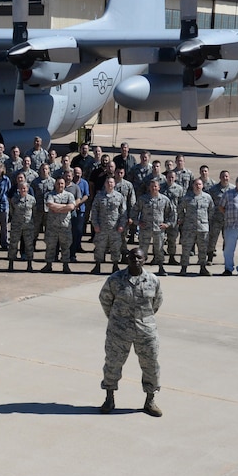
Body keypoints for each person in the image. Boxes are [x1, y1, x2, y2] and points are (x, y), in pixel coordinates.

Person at [98, 247, 163, 417]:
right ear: (127, 258)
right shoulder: (115, 279)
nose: (136, 260)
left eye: (139, 258)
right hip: (119, 331)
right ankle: (109, 398)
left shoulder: (153, 280)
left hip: (146, 331)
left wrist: (145, 319)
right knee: (112, 364)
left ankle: (150, 400)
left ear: (145, 259)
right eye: (133, 257)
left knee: (150, 365)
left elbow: (156, 302)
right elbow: (105, 300)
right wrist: (116, 319)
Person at [90, 176, 127, 275]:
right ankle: (97, 265)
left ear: (114, 184)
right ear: (105, 184)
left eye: (111, 182)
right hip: (101, 228)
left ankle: (115, 265)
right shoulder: (99, 196)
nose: (110, 184)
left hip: (115, 228)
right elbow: (94, 211)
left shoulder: (119, 196)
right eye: (108, 182)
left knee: (115, 247)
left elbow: (123, 213)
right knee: (99, 247)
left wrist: (121, 225)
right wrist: (95, 225)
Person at [178, 178, 214, 276]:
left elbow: (211, 210)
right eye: (196, 184)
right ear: (193, 186)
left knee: (203, 249)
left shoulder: (207, 197)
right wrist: (182, 219)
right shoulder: (187, 197)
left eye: (199, 184)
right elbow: (180, 209)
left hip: (203, 228)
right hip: (189, 228)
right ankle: (184, 268)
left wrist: (206, 221)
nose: (198, 186)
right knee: (186, 248)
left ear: (202, 186)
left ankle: (203, 267)